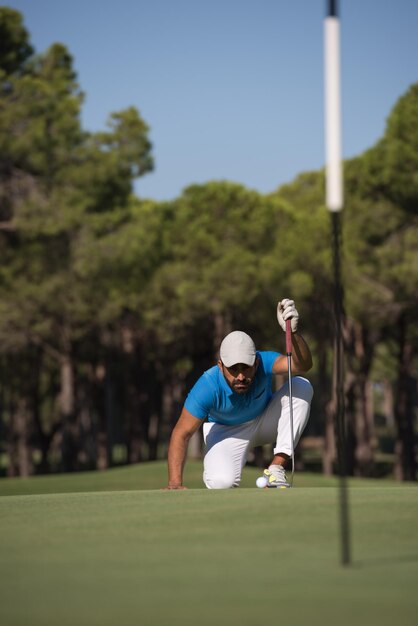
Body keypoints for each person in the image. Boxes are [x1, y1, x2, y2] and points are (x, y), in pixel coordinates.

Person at [165, 299, 313, 489]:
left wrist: (293, 334)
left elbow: (303, 365)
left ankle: (276, 468)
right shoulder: (207, 386)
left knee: (301, 386)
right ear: (221, 366)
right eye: (234, 369)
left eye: (246, 368)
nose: (241, 376)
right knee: (221, 483)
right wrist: (175, 483)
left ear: (256, 363)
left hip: (264, 420)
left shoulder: (263, 361)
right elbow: (181, 433)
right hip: (225, 433)